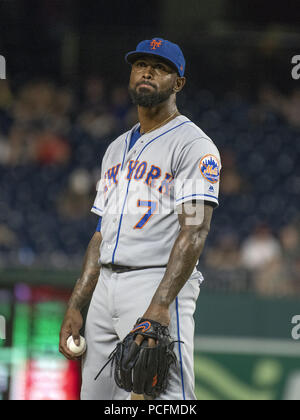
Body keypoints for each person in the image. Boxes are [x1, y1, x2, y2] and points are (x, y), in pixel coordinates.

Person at [59, 37, 221, 400]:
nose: (147, 71)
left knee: (166, 400)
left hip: (154, 281)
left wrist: (161, 304)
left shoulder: (193, 145)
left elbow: (195, 229)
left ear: (178, 83)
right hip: (105, 289)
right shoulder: (116, 148)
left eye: (161, 67)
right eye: (141, 64)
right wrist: (76, 305)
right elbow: (100, 235)